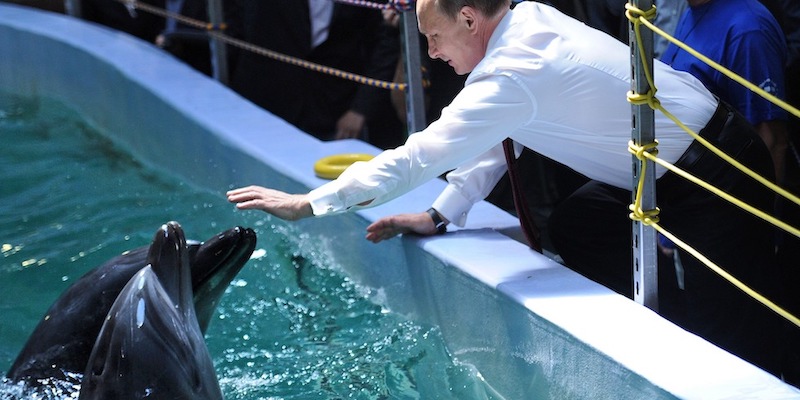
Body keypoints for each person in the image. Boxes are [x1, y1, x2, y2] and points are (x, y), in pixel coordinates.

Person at [227, 0, 783, 377]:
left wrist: (311, 203)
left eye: (433, 36)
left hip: (718, 170)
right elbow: (501, 133)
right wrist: (443, 213)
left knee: (734, 335)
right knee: (578, 224)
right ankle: (663, 331)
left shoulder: (512, 71)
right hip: (659, 167)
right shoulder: (527, 18)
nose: (431, 53)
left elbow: (420, 153)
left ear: (469, 20)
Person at [224, 0, 405, 149]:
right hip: (265, 102)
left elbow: (384, 42)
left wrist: (361, 108)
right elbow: (236, 25)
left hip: (333, 109)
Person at [661, 0, 789, 182]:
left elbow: (772, 139)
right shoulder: (693, 10)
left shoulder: (748, 30)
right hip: (681, 184)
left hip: (719, 195)